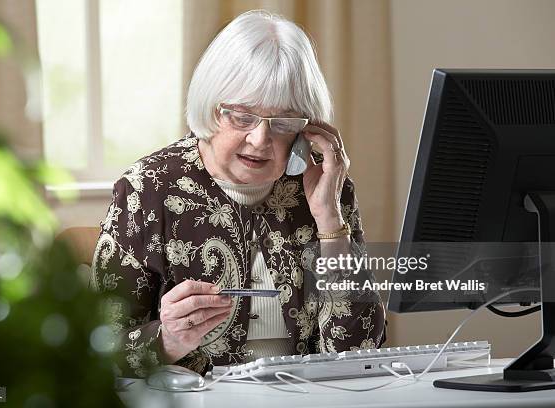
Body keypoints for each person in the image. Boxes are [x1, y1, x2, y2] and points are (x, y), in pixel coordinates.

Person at [91, 10, 386, 378]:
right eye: (242, 117)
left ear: (306, 131)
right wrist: (168, 340)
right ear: (212, 109)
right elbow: (96, 351)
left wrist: (329, 220)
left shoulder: (324, 187)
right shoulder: (147, 190)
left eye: (282, 123)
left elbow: (359, 351)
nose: (260, 140)